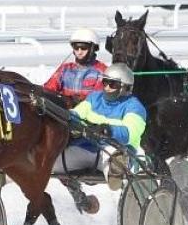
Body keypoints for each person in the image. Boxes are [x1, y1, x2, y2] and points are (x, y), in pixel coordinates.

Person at [51, 63, 147, 191]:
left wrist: (109, 130)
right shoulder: (94, 98)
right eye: (105, 82)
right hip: (86, 149)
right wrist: (65, 117)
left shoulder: (134, 107)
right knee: (52, 163)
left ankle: (115, 171)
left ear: (125, 87)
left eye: (112, 84)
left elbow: (131, 133)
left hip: (116, 150)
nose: (106, 87)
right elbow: (76, 114)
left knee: (113, 153)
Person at [43, 28, 108, 104]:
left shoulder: (102, 71)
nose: (79, 52)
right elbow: (48, 89)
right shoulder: (65, 69)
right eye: (76, 48)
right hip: (62, 112)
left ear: (93, 49)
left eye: (83, 48)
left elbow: (97, 99)